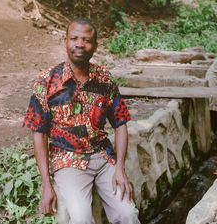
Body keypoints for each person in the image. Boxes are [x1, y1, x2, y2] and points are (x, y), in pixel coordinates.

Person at [23, 18, 141, 224]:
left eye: (86, 40)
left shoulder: (105, 79)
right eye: (74, 38)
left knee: (127, 214)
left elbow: (120, 124)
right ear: (65, 42)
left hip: (104, 159)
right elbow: (39, 133)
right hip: (68, 161)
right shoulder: (47, 81)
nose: (80, 44)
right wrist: (46, 183)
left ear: (95, 45)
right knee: (80, 219)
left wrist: (120, 169)